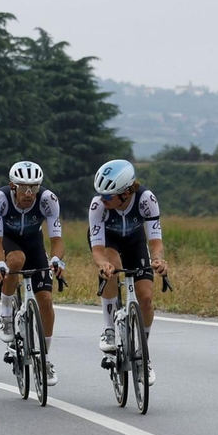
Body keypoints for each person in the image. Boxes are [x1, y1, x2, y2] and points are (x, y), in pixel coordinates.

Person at [89, 159, 166, 385]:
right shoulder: (98, 206)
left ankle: (143, 354)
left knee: (146, 297)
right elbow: (97, 250)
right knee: (111, 267)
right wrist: (102, 264)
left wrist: (159, 259)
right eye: (101, 195)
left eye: (108, 196)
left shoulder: (146, 200)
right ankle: (109, 329)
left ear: (125, 192)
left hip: (135, 242)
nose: (103, 199)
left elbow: (156, 242)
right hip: (108, 242)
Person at [0, 161, 64, 386]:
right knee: (16, 260)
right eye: (24, 187)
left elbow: (57, 240)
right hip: (8, 240)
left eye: (34, 187)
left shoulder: (48, 200)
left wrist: (56, 259)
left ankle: (46, 359)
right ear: (13, 186)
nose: (29, 193)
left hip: (33, 242)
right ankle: (5, 314)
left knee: (46, 300)